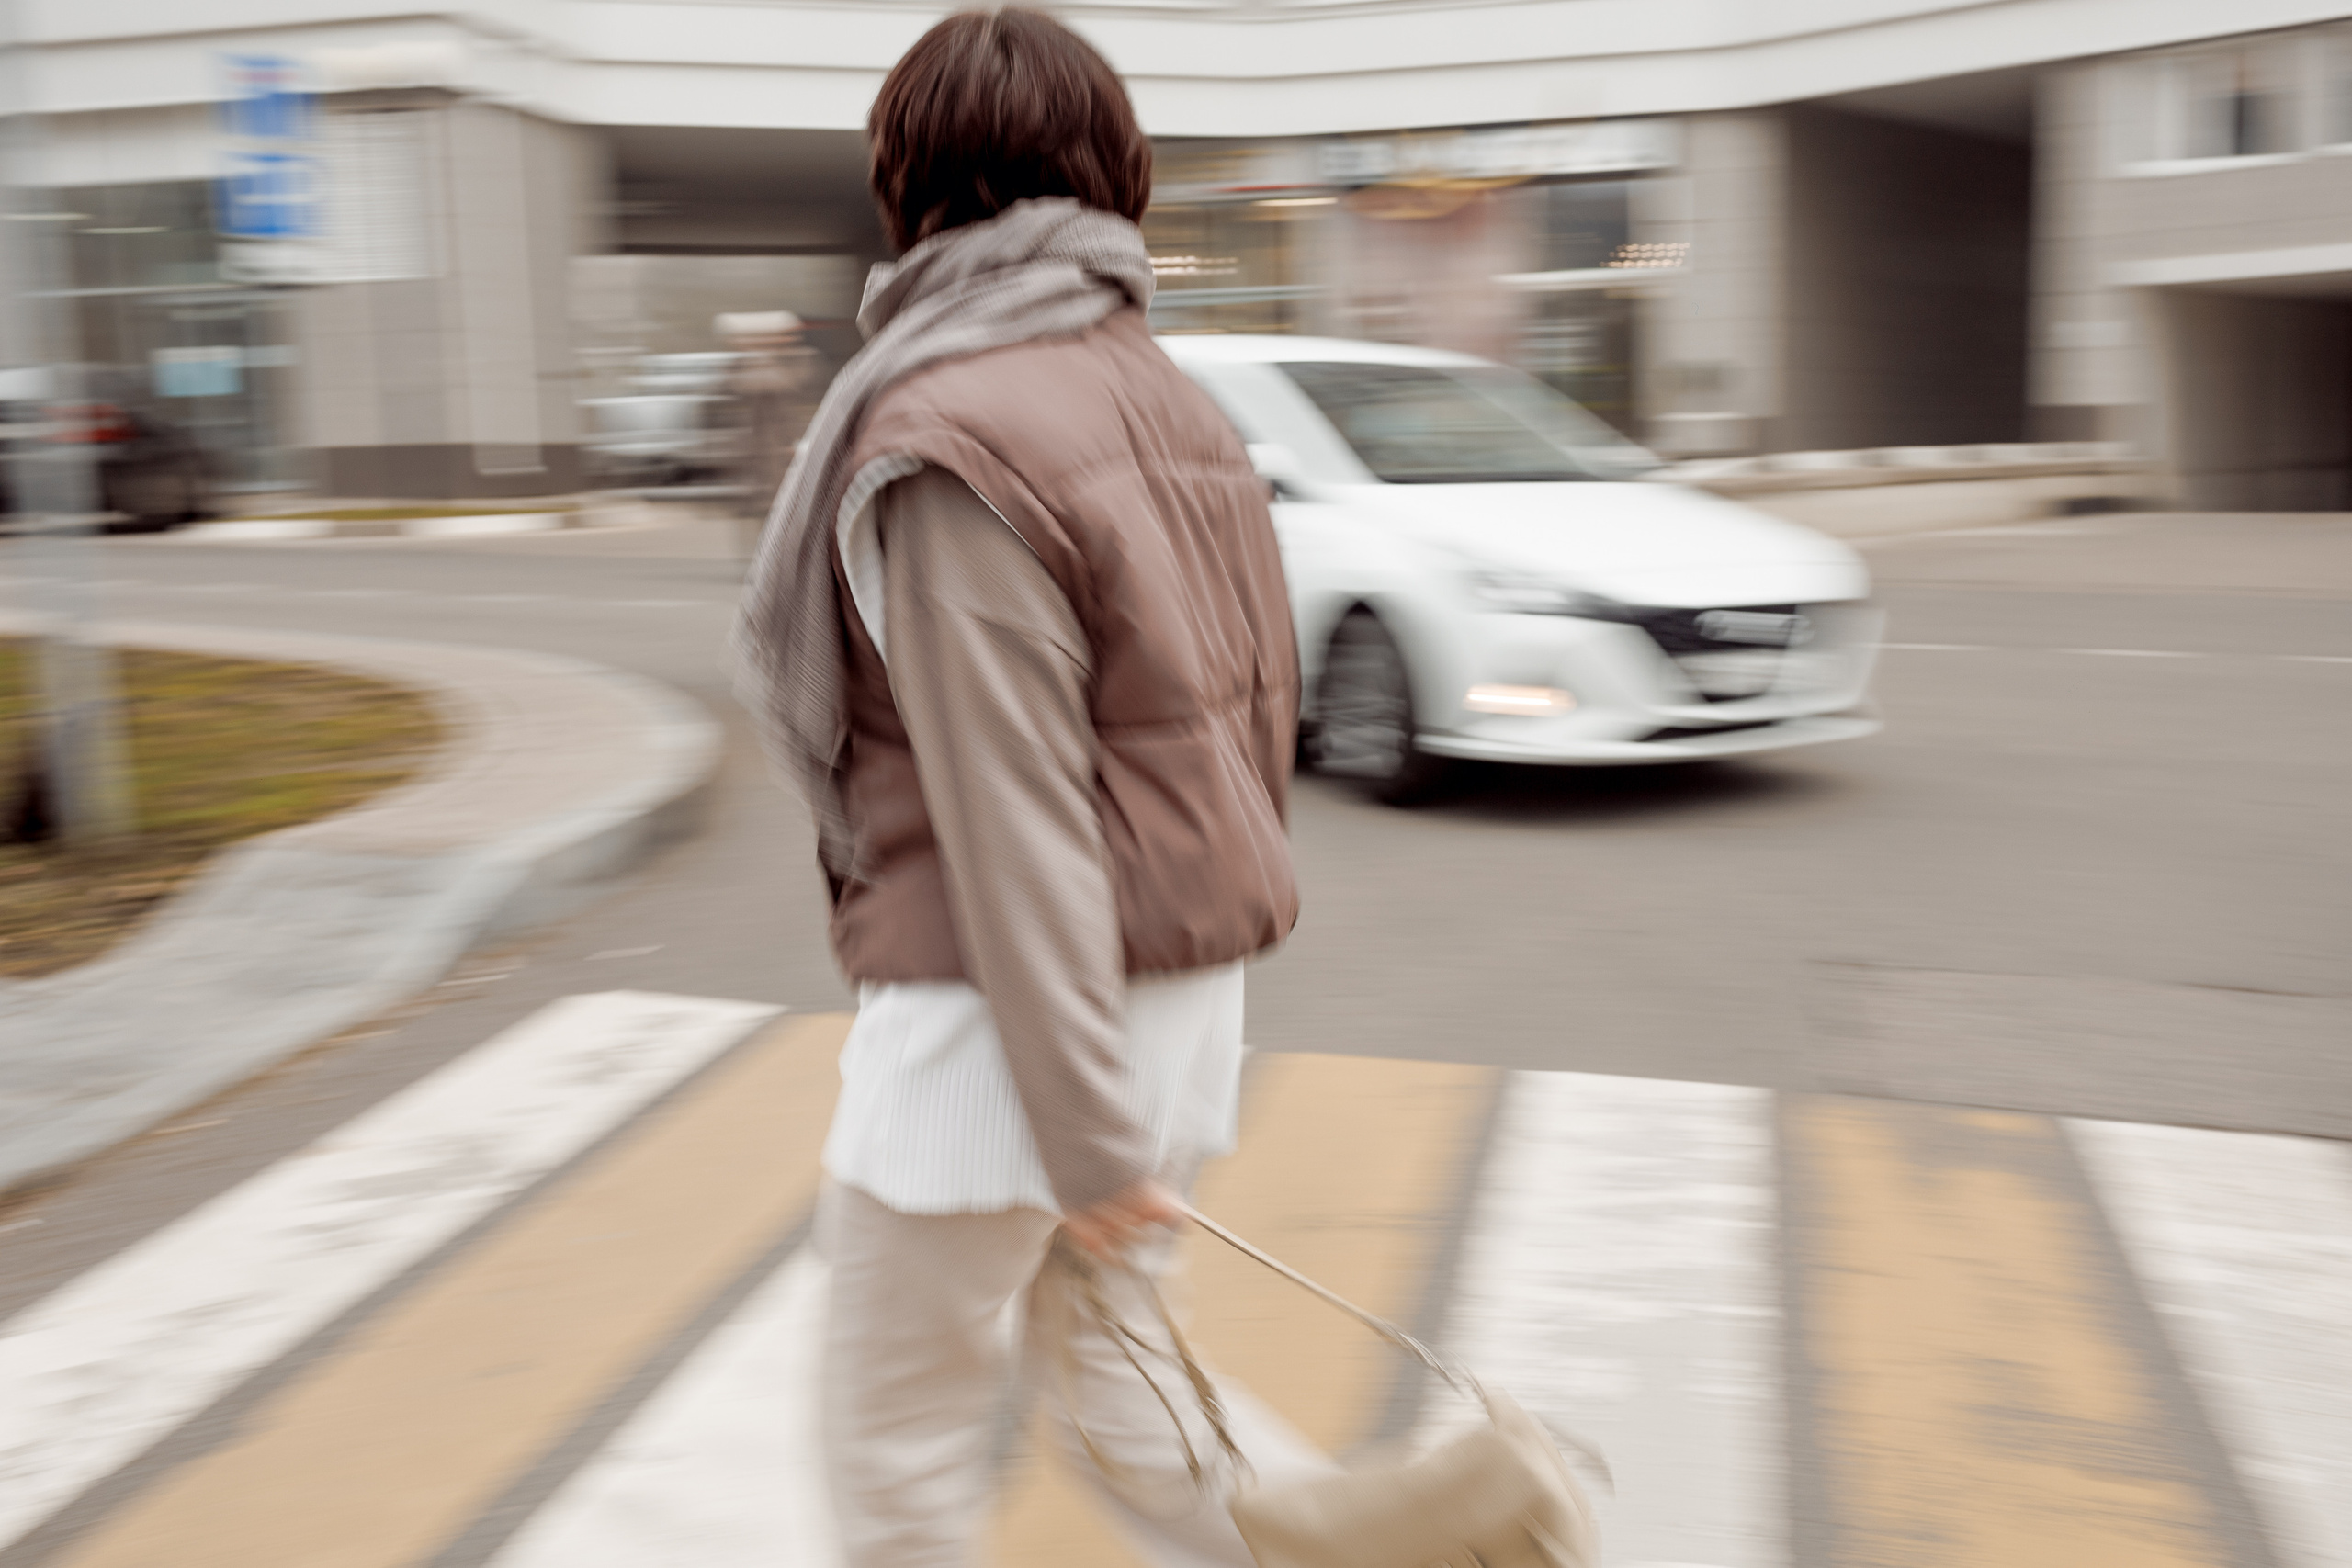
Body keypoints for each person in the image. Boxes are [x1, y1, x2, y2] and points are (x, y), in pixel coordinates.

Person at [732, 9, 1328, 1564]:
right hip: (1182, 1004)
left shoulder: (943, 430)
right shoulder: (1178, 404)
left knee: (898, 1456)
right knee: (1139, 1410)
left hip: (1002, 1045)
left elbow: (1016, 812)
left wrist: (1084, 1138)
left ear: (909, 182)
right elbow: (1243, 725)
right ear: (1110, 174)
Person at [715, 310, 822, 558]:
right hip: (752, 451)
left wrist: (760, 362)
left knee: (791, 505)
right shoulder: (737, 364)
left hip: (786, 446)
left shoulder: (799, 360)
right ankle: (761, 557)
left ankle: (790, 556)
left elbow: (784, 385)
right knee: (754, 509)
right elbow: (730, 389)